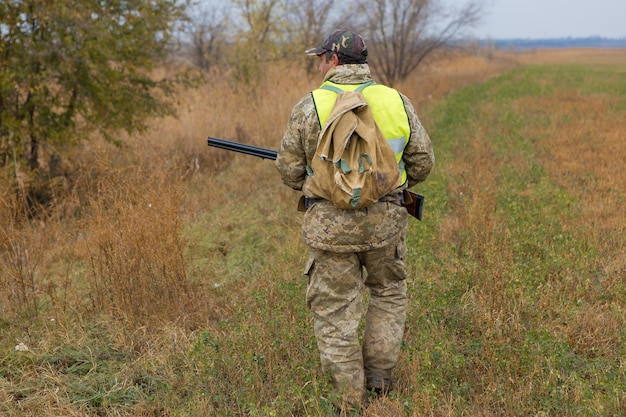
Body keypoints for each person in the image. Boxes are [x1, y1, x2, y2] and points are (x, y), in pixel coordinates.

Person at [275, 30, 434, 411]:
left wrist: (326, 187)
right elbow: (423, 164)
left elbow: (289, 170)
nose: (318, 65)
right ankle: (380, 380)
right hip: (386, 224)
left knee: (334, 308)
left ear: (332, 60)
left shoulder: (309, 105)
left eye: (320, 58)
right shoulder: (396, 100)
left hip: (330, 228)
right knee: (388, 293)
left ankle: (348, 397)